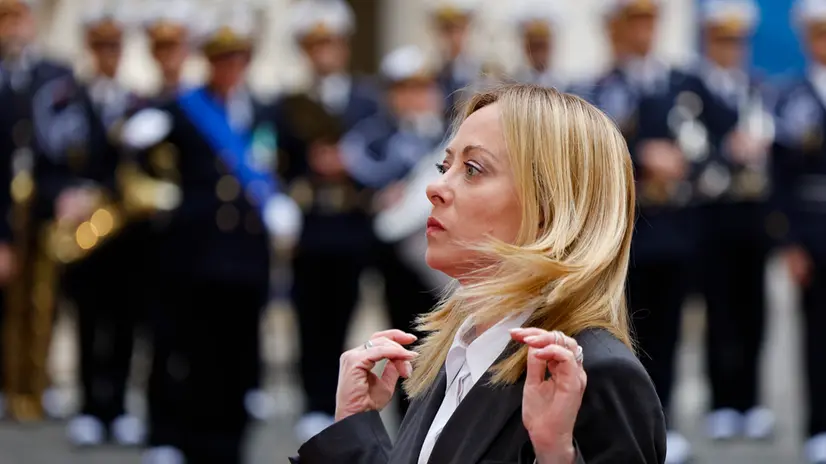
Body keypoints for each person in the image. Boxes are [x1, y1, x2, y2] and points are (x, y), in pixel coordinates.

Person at [292, 83, 665, 464]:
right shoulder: (459, 345)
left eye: (472, 169)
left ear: (548, 208)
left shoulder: (597, 373)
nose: (435, 188)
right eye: (444, 166)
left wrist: (556, 455)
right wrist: (354, 429)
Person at [121, 3, 299, 462]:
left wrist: (282, 201)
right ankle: (177, 438)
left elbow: (287, 165)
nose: (230, 66)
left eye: (237, 57)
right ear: (209, 61)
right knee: (187, 352)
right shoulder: (182, 108)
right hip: (195, 252)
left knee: (238, 355)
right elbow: (137, 162)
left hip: (246, 255)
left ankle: (228, 445)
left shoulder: (264, 112)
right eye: (221, 58)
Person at [582, 1, 701, 462]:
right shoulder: (601, 85)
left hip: (675, 226)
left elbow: (705, 137)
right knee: (622, 332)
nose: (643, 30)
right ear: (616, 27)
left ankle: (662, 422)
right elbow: (592, 145)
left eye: (650, 20)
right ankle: (621, 425)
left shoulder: (678, 83)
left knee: (670, 333)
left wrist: (683, 159)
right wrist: (640, 154)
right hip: (628, 229)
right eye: (635, 20)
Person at [278, 0, 380, 442]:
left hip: (350, 223)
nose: (325, 53)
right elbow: (280, 162)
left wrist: (348, 163)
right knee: (307, 313)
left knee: (343, 311)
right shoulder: (290, 102)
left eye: (331, 43)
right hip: (310, 222)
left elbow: (379, 153)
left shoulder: (365, 99)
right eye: (316, 44)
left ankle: (339, 395)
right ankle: (313, 399)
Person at [681, 0, 777, 446]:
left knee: (755, 310)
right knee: (718, 311)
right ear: (708, 40)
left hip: (752, 218)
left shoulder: (756, 86)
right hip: (712, 216)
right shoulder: (694, 90)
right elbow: (690, 147)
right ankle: (721, 401)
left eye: (737, 40)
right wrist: (727, 152)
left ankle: (750, 400)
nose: (731, 48)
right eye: (723, 38)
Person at [340, 44, 447, 421]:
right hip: (400, 260)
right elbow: (363, 174)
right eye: (405, 89)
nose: (415, 98)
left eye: (422, 87)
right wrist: (380, 196)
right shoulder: (375, 135)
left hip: (448, 262)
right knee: (408, 349)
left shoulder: (452, 132)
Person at [62, 3, 148, 448]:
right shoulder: (68, 98)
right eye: (100, 45)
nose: (108, 53)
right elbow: (49, 160)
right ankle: (89, 407)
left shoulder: (138, 101)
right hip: (85, 232)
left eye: (114, 45)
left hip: (128, 237)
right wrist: (67, 193)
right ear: (90, 48)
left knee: (125, 323)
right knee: (87, 322)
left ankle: (116, 406)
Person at [0, 0, 90, 422]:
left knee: (43, 301)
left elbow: (69, 144)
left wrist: (66, 195)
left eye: (16, 16)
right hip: (4, 212)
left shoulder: (55, 75)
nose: (10, 27)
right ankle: (7, 383)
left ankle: (38, 382)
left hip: (43, 208)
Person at [771, 2, 826, 461]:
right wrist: (789, 242)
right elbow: (781, 177)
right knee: (817, 334)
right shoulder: (794, 97)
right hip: (814, 231)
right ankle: (818, 426)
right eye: (819, 34)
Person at [427, 0, 482, 118]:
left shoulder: (482, 71)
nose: (453, 37)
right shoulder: (433, 73)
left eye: (458, 29)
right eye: (447, 30)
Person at [512, 0, 564, 89]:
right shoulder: (512, 85)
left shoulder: (567, 86)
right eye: (533, 47)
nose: (538, 54)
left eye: (543, 46)